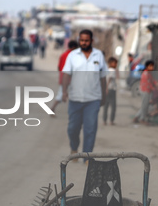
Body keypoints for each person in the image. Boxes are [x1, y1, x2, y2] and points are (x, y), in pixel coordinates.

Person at [61, 29, 106, 158]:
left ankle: (87, 155)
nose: (84, 43)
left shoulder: (98, 56)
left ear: (91, 41)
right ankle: (74, 148)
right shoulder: (72, 55)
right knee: (72, 129)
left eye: (86, 40)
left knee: (90, 129)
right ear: (79, 40)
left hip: (93, 99)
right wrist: (64, 92)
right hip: (75, 99)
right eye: (82, 40)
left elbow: (103, 77)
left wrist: (104, 95)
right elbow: (66, 74)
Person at [50, 39, 78, 114]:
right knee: (63, 94)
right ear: (73, 47)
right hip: (69, 78)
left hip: (63, 77)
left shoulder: (63, 54)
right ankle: (52, 108)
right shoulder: (72, 56)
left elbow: (59, 67)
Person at [103, 57, 118, 125]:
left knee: (106, 105)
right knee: (113, 106)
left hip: (107, 89)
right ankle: (111, 121)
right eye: (115, 63)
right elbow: (110, 78)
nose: (116, 64)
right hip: (111, 89)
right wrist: (107, 87)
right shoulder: (112, 70)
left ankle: (104, 120)